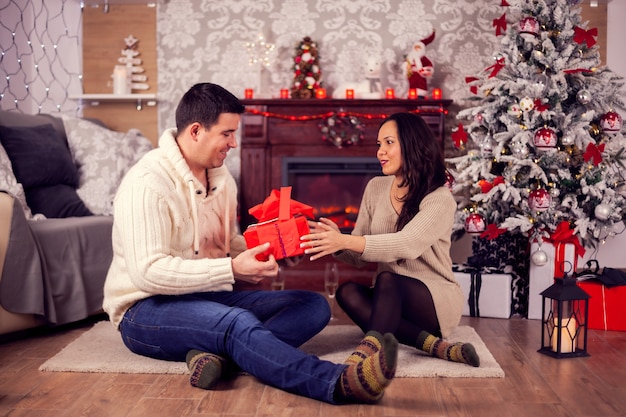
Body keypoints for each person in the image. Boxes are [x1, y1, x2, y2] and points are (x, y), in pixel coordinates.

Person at [102, 82, 398, 404]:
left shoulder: (221, 178)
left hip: (207, 297)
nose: (234, 143)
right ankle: (338, 382)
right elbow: (148, 272)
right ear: (197, 131)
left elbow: (227, 243)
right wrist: (231, 270)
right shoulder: (148, 184)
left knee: (312, 306)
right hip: (146, 309)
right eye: (227, 134)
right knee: (236, 323)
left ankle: (215, 357)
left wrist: (276, 251)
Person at [301, 112, 480, 368]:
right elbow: (359, 256)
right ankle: (436, 347)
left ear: (411, 144)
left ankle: (368, 351)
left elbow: (407, 244)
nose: (380, 152)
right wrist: (334, 240)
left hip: (434, 300)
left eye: (388, 143)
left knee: (387, 279)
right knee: (347, 292)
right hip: (390, 298)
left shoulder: (439, 197)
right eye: (378, 145)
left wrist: (346, 241)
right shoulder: (375, 187)